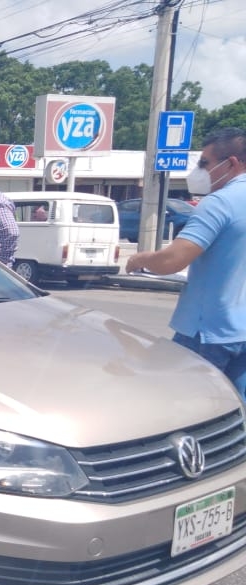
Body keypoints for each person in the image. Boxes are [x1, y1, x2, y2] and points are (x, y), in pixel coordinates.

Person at [125, 126, 246, 398]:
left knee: (182, 407)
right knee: (235, 415)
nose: (200, 171)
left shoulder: (220, 203)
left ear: (232, 163)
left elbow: (172, 260)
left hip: (208, 333)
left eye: (205, 163)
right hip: (242, 332)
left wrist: (140, 259)